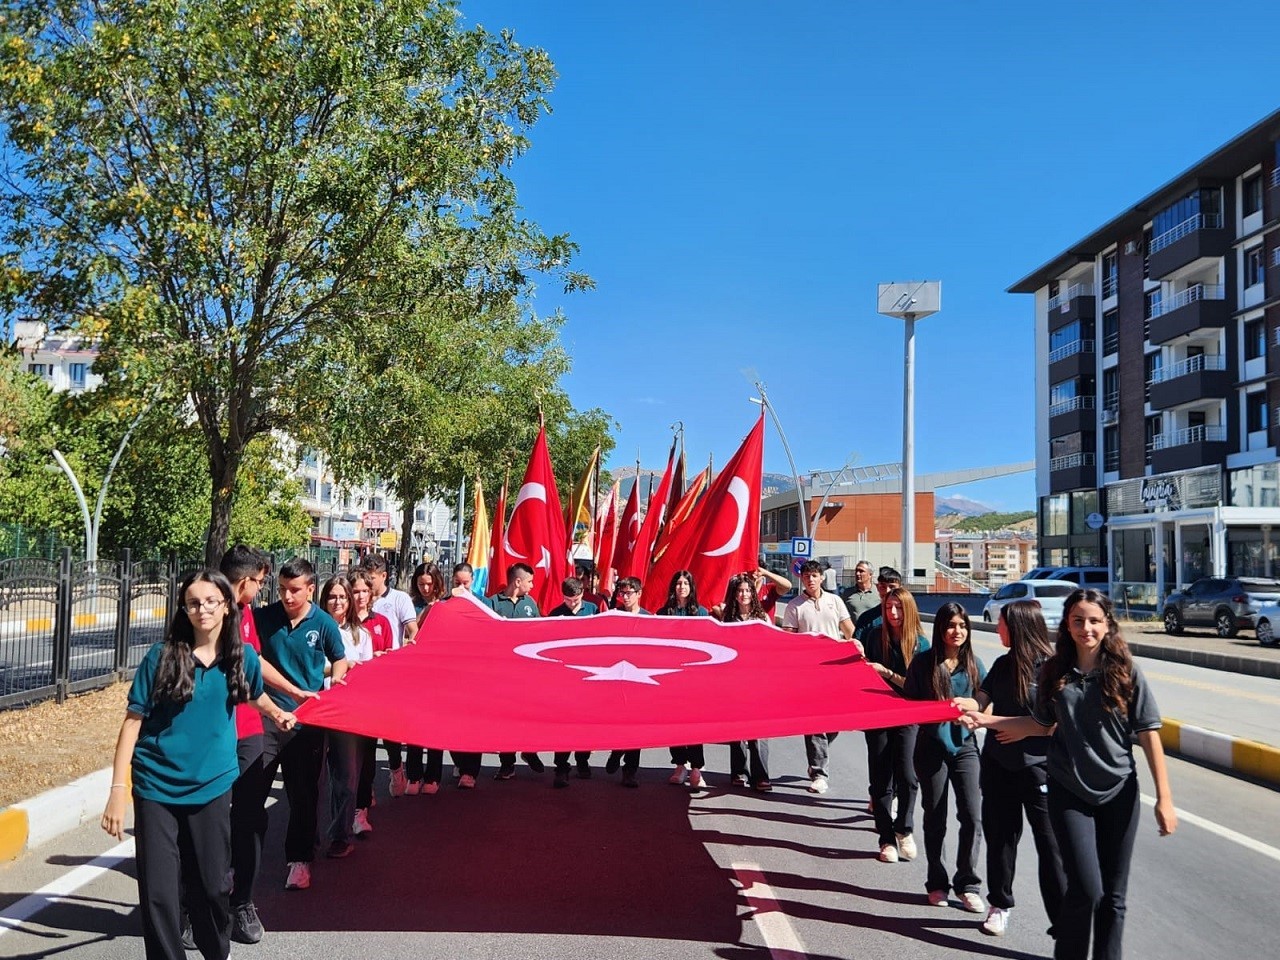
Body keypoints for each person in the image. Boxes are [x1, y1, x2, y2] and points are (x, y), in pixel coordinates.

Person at [965, 589, 1176, 959]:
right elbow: (1042, 723)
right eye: (1078, 620)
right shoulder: (1055, 671)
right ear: (1067, 624)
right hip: (1068, 792)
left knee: (1114, 898)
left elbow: (1149, 733)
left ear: (1107, 624)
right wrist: (985, 720)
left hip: (1119, 792)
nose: (1086, 628)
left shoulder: (1126, 671)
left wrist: (1165, 798)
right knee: (1086, 890)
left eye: (1094, 620)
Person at [101, 570, 295, 960]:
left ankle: (214, 951)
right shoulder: (162, 656)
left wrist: (276, 713)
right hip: (156, 787)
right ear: (184, 609)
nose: (202, 608)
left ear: (227, 605)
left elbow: (251, 694)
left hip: (211, 787)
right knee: (159, 892)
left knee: (210, 888)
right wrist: (117, 791)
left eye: (210, 601)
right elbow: (132, 722)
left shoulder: (242, 657)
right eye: (193, 602)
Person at [951, 600, 1065, 938]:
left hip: (1043, 771)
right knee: (1001, 840)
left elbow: (1051, 724)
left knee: (1052, 848)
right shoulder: (1002, 664)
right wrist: (964, 705)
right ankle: (999, 905)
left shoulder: (1054, 670)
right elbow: (980, 700)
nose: (997, 628)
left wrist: (988, 720)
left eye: (1001, 624)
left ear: (1017, 627)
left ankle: (1063, 921)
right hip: (1000, 766)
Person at [219, 545, 304, 945]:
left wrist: (293, 690)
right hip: (216, 732)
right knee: (210, 822)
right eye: (258, 582)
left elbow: (253, 664)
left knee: (251, 818)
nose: (260, 589)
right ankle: (194, 902)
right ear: (245, 580)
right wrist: (278, 708)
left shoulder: (246, 611)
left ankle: (242, 903)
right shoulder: (209, 612)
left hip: (248, 731)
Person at [255, 557, 349, 892]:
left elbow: (339, 658)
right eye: (281, 589)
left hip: (306, 723)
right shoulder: (263, 617)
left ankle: (299, 861)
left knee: (303, 794)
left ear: (310, 589)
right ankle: (241, 861)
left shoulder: (323, 623)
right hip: (266, 717)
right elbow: (251, 656)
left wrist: (336, 681)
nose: (287, 596)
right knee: (252, 792)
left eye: (294, 590)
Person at [903, 601, 986, 914]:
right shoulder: (923, 664)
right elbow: (909, 708)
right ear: (940, 629)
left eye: (963, 626)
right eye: (951, 625)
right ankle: (937, 882)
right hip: (931, 749)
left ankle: (968, 884)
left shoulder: (975, 665)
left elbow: (986, 705)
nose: (958, 631)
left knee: (972, 816)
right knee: (935, 817)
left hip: (965, 749)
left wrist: (975, 710)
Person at [863, 586, 929, 866]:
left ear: (909, 610)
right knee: (880, 779)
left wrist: (886, 672)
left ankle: (905, 828)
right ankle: (886, 839)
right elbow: (860, 668)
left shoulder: (922, 644)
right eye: (888, 607)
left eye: (898, 608)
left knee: (907, 775)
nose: (892, 613)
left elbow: (916, 688)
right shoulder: (872, 635)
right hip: (876, 714)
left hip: (908, 713)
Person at [782, 559, 860, 794]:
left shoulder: (835, 601)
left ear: (822, 578)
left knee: (836, 721)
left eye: (815, 575)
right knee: (815, 722)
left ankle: (818, 754)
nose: (811, 579)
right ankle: (819, 772)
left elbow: (849, 631)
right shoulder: (794, 606)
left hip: (834, 670)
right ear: (801, 579)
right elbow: (788, 642)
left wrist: (857, 650)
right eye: (807, 576)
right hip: (809, 672)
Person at [318, 576, 373, 859]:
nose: (338, 602)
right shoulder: (313, 630)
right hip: (315, 712)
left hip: (347, 716)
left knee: (347, 778)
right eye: (332, 597)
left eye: (343, 597)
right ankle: (308, 836)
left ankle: (340, 834)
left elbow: (368, 676)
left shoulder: (361, 635)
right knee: (315, 778)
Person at [362, 554, 418, 797]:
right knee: (365, 735)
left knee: (389, 730)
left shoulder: (399, 599)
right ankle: (366, 788)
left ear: (384, 576)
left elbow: (412, 631)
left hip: (389, 674)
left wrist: (403, 653)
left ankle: (396, 767)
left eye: (371, 579)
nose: (368, 583)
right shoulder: (359, 599)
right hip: (363, 672)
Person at [488, 562, 546, 780]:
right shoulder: (493, 603)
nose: (532, 585)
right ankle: (507, 762)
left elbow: (540, 633)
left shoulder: (530, 604)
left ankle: (530, 750)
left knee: (529, 715)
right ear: (518, 581)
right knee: (506, 719)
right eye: (529, 581)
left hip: (526, 673)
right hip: (501, 674)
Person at [349, 569, 397, 810]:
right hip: (346, 696)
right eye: (355, 591)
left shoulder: (381, 622)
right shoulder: (342, 622)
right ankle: (355, 797)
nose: (360, 596)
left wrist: (379, 658)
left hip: (372, 698)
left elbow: (391, 655)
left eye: (364, 591)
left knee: (367, 753)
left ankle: (363, 798)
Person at [657, 570, 710, 788]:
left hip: (694, 678)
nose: (681, 587)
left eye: (685, 583)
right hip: (670, 677)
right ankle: (679, 765)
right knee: (674, 724)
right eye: (678, 583)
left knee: (694, 725)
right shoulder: (663, 613)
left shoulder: (702, 612)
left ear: (691, 587)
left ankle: (697, 768)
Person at [721, 572, 772, 791]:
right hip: (735, 684)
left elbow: (773, 648)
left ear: (754, 593)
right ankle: (739, 772)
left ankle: (761, 776)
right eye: (740, 590)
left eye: (748, 590)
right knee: (738, 730)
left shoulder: (762, 620)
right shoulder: (726, 619)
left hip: (758, 683)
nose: (744, 594)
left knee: (760, 731)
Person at [548, 576, 597, 787]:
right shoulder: (556, 614)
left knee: (585, 724)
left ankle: (583, 760)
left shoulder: (593, 611)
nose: (572, 604)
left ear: (582, 594)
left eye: (575, 599)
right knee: (564, 725)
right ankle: (561, 766)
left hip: (588, 676)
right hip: (563, 679)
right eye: (568, 600)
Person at [404, 561, 447, 794]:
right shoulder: (411, 605)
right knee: (413, 727)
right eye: (421, 584)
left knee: (434, 728)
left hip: (439, 675)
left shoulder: (445, 606)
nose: (425, 588)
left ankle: (433, 777)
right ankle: (413, 775)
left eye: (429, 584)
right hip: (414, 675)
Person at [605, 576, 650, 786]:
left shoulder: (649, 618)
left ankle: (630, 771)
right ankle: (617, 750)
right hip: (617, 678)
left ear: (639, 594)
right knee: (618, 724)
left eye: (629, 593)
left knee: (637, 728)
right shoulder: (614, 617)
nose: (625, 597)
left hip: (640, 680)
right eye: (622, 593)